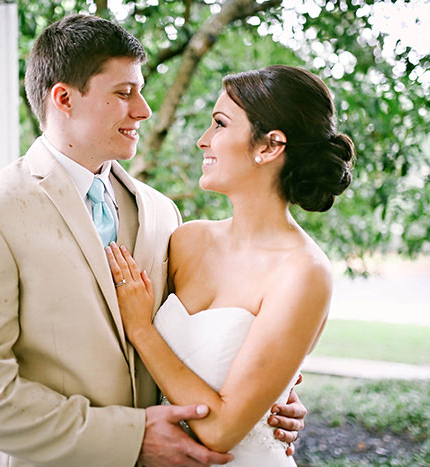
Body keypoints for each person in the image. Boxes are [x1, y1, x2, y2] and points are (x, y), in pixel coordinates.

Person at [0, 14, 306, 467]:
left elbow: (185, 340)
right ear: (64, 98)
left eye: (142, 90)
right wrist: (129, 438)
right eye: (123, 93)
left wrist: (264, 400)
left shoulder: (161, 213)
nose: (144, 109)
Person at [106, 65, 355, 465]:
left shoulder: (304, 273)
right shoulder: (187, 240)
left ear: (269, 146)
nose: (204, 141)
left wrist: (141, 328)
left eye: (220, 124)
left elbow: (221, 431)